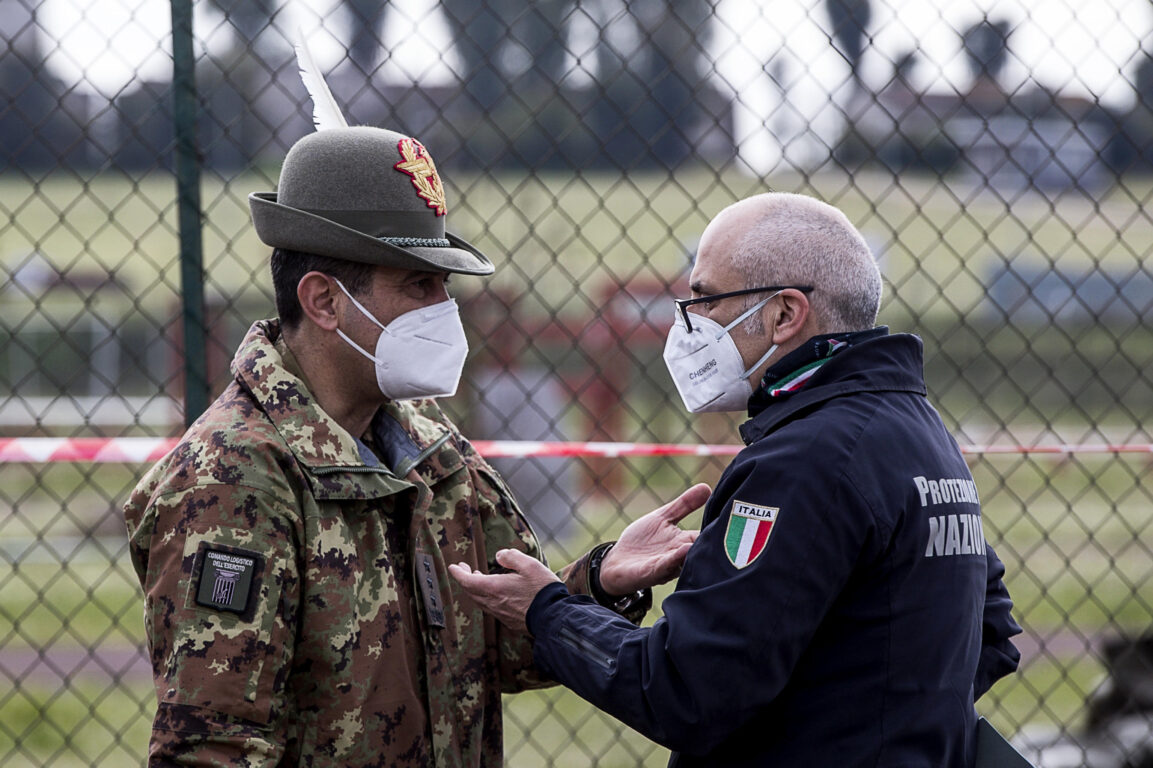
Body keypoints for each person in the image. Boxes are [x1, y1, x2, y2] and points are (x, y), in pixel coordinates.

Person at [122, 125, 710, 767]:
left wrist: (596, 583)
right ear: (323, 300)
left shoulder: (432, 449)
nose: (444, 310)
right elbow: (211, 747)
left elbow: (500, 645)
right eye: (417, 286)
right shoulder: (233, 479)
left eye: (443, 287)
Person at [450, 192, 1023, 767]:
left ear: (783, 315)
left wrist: (547, 610)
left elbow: (688, 693)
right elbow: (989, 628)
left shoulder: (807, 459)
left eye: (704, 298)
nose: (688, 322)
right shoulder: (914, 429)